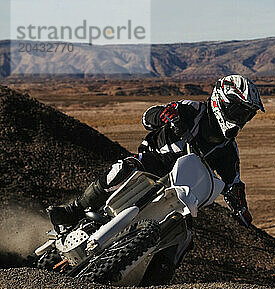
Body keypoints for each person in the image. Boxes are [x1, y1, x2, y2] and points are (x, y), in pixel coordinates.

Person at [47, 74, 263, 229]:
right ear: (221, 102)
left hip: (184, 188)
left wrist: (240, 208)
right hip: (155, 162)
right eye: (238, 111)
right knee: (124, 167)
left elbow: (233, 182)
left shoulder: (228, 149)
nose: (241, 119)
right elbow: (148, 117)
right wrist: (163, 115)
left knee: (185, 233)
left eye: (247, 115)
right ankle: (74, 210)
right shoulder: (192, 110)